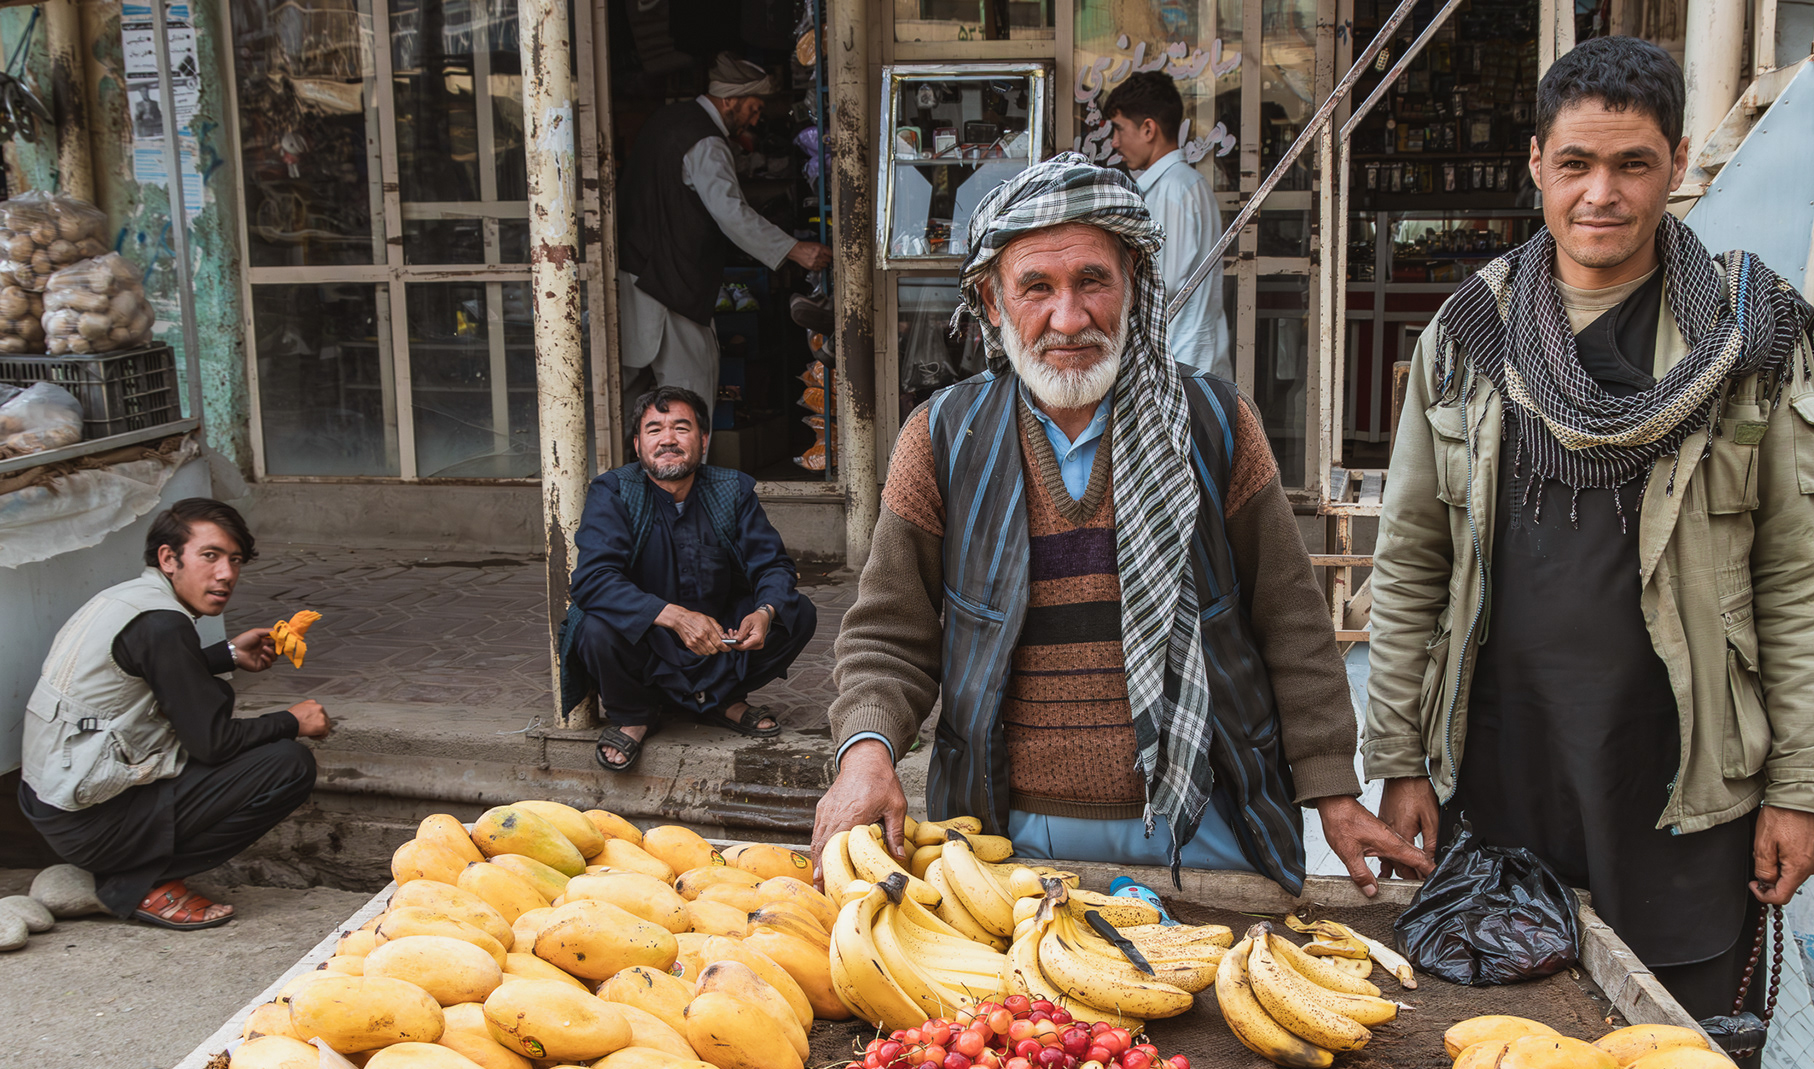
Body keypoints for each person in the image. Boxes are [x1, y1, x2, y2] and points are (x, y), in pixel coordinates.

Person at [1364, 38, 1814, 1034]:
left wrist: (1799, 789)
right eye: (1577, 163)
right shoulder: (1469, 337)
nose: (1602, 195)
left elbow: (1795, 576)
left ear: (1675, 163)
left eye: (1633, 165)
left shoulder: (1753, 340)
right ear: (1536, 161)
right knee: (1507, 1067)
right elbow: (1412, 558)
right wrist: (1400, 756)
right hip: (1498, 773)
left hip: (1680, 784)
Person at [815, 152, 1429, 896]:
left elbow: (1289, 619)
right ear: (991, 300)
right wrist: (866, 752)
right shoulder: (944, 438)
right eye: (1036, 287)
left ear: (1133, 282)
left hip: (1203, 820)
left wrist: (1333, 787)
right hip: (1007, 835)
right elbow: (888, 631)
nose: (1067, 318)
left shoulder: (1215, 423)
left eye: (1092, 282)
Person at [17, 499, 329, 929]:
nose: (226, 574)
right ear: (169, 558)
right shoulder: (164, 625)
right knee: (287, 764)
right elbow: (214, 743)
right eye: (210, 556)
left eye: (235, 560)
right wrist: (294, 721)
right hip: (89, 822)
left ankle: (129, 869)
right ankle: (143, 883)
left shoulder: (128, 599)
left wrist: (228, 654)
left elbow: (151, 673)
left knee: (212, 710)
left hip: (51, 802)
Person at [560, 387, 819, 771]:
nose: (668, 439)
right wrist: (675, 617)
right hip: (647, 638)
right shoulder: (613, 491)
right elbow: (593, 579)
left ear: (703, 441)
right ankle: (635, 714)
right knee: (594, 627)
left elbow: (773, 566)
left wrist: (764, 612)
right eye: (654, 430)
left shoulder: (732, 491)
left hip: (719, 636)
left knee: (796, 612)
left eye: (681, 428)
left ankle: (720, 699)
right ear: (637, 445)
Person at [617, 53, 833, 417]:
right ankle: (683, 473)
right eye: (752, 107)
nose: (756, 116)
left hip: (637, 270)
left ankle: (625, 471)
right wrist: (794, 250)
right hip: (671, 284)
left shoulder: (667, 119)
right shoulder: (706, 141)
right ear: (729, 100)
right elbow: (731, 213)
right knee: (691, 391)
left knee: (626, 395)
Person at [1101, 72, 1232, 380]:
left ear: (1148, 129)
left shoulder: (1174, 189)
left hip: (1181, 357)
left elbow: (1162, 280)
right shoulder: (1179, 185)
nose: (1115, 142)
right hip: (1184, 354)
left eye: (1119, 129)